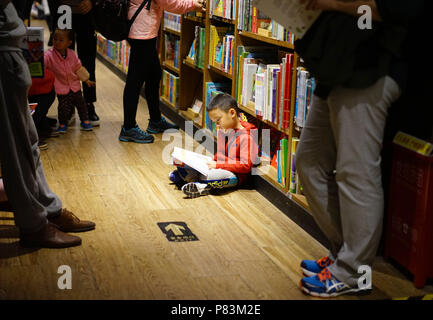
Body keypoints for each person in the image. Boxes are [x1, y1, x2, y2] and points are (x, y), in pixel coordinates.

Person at [294, 0, 424, 297]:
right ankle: (345, 254)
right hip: (337, 65)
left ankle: (355, 273)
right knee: (309, 161)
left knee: (356, 172)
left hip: (372, 66)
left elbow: (394, 9)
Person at [0, 1, 95, 248]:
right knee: (17, 145)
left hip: (9, 43)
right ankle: (34, 224)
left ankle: (46, 210)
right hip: (4, 46)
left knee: (27, 139)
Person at [119, 0, 205, 143]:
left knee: (154, 74)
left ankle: (155, 120)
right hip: (142, 32)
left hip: (143, 29)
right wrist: (193, 5)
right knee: (135, 81)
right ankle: (128, 128)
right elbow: (170, 3)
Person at [170, 93, 259, 198]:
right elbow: (220, 154)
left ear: (232, 113)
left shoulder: (247, 136)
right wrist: (209, 162)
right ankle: (195, 179)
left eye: (218, 121)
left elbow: (245, 166)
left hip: (236, 175)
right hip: (220, 166)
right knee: (183, 163)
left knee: (214, 176)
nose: (217, 125)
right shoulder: (225, 129)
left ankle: (197, 182)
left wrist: (218, 165)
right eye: (215, 122)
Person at [45, 27, 95, 133]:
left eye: (61, 40)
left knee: (82, 105)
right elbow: (43, 64)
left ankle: (85, 121)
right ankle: (63, 123)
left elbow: (78, 68)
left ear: (69, 43)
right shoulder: (49, 55)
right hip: (61, 88)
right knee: (63, 108)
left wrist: (86, 79)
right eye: (55, 39)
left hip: (75, 86)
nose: (57, 42)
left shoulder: (72, 54)